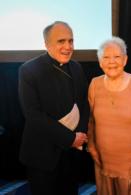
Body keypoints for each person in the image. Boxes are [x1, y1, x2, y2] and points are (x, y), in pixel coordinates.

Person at [18, 21, 89, 195]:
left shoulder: (77, 67)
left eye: (71, 41)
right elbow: (33, 115)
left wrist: (79, 136)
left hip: (71, 154)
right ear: (46, 44)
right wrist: (70, 138)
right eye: (61, 41)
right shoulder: (28, 70)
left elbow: (84, 105)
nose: (68, 46)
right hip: (42, 155)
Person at [87, 36, 131, 195]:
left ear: (125, 60)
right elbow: (90, 121)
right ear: (100, 62)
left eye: (117, 57)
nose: (112, 61)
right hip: (103, 160)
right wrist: (91, 147)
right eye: (106, 57)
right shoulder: (94, 84)